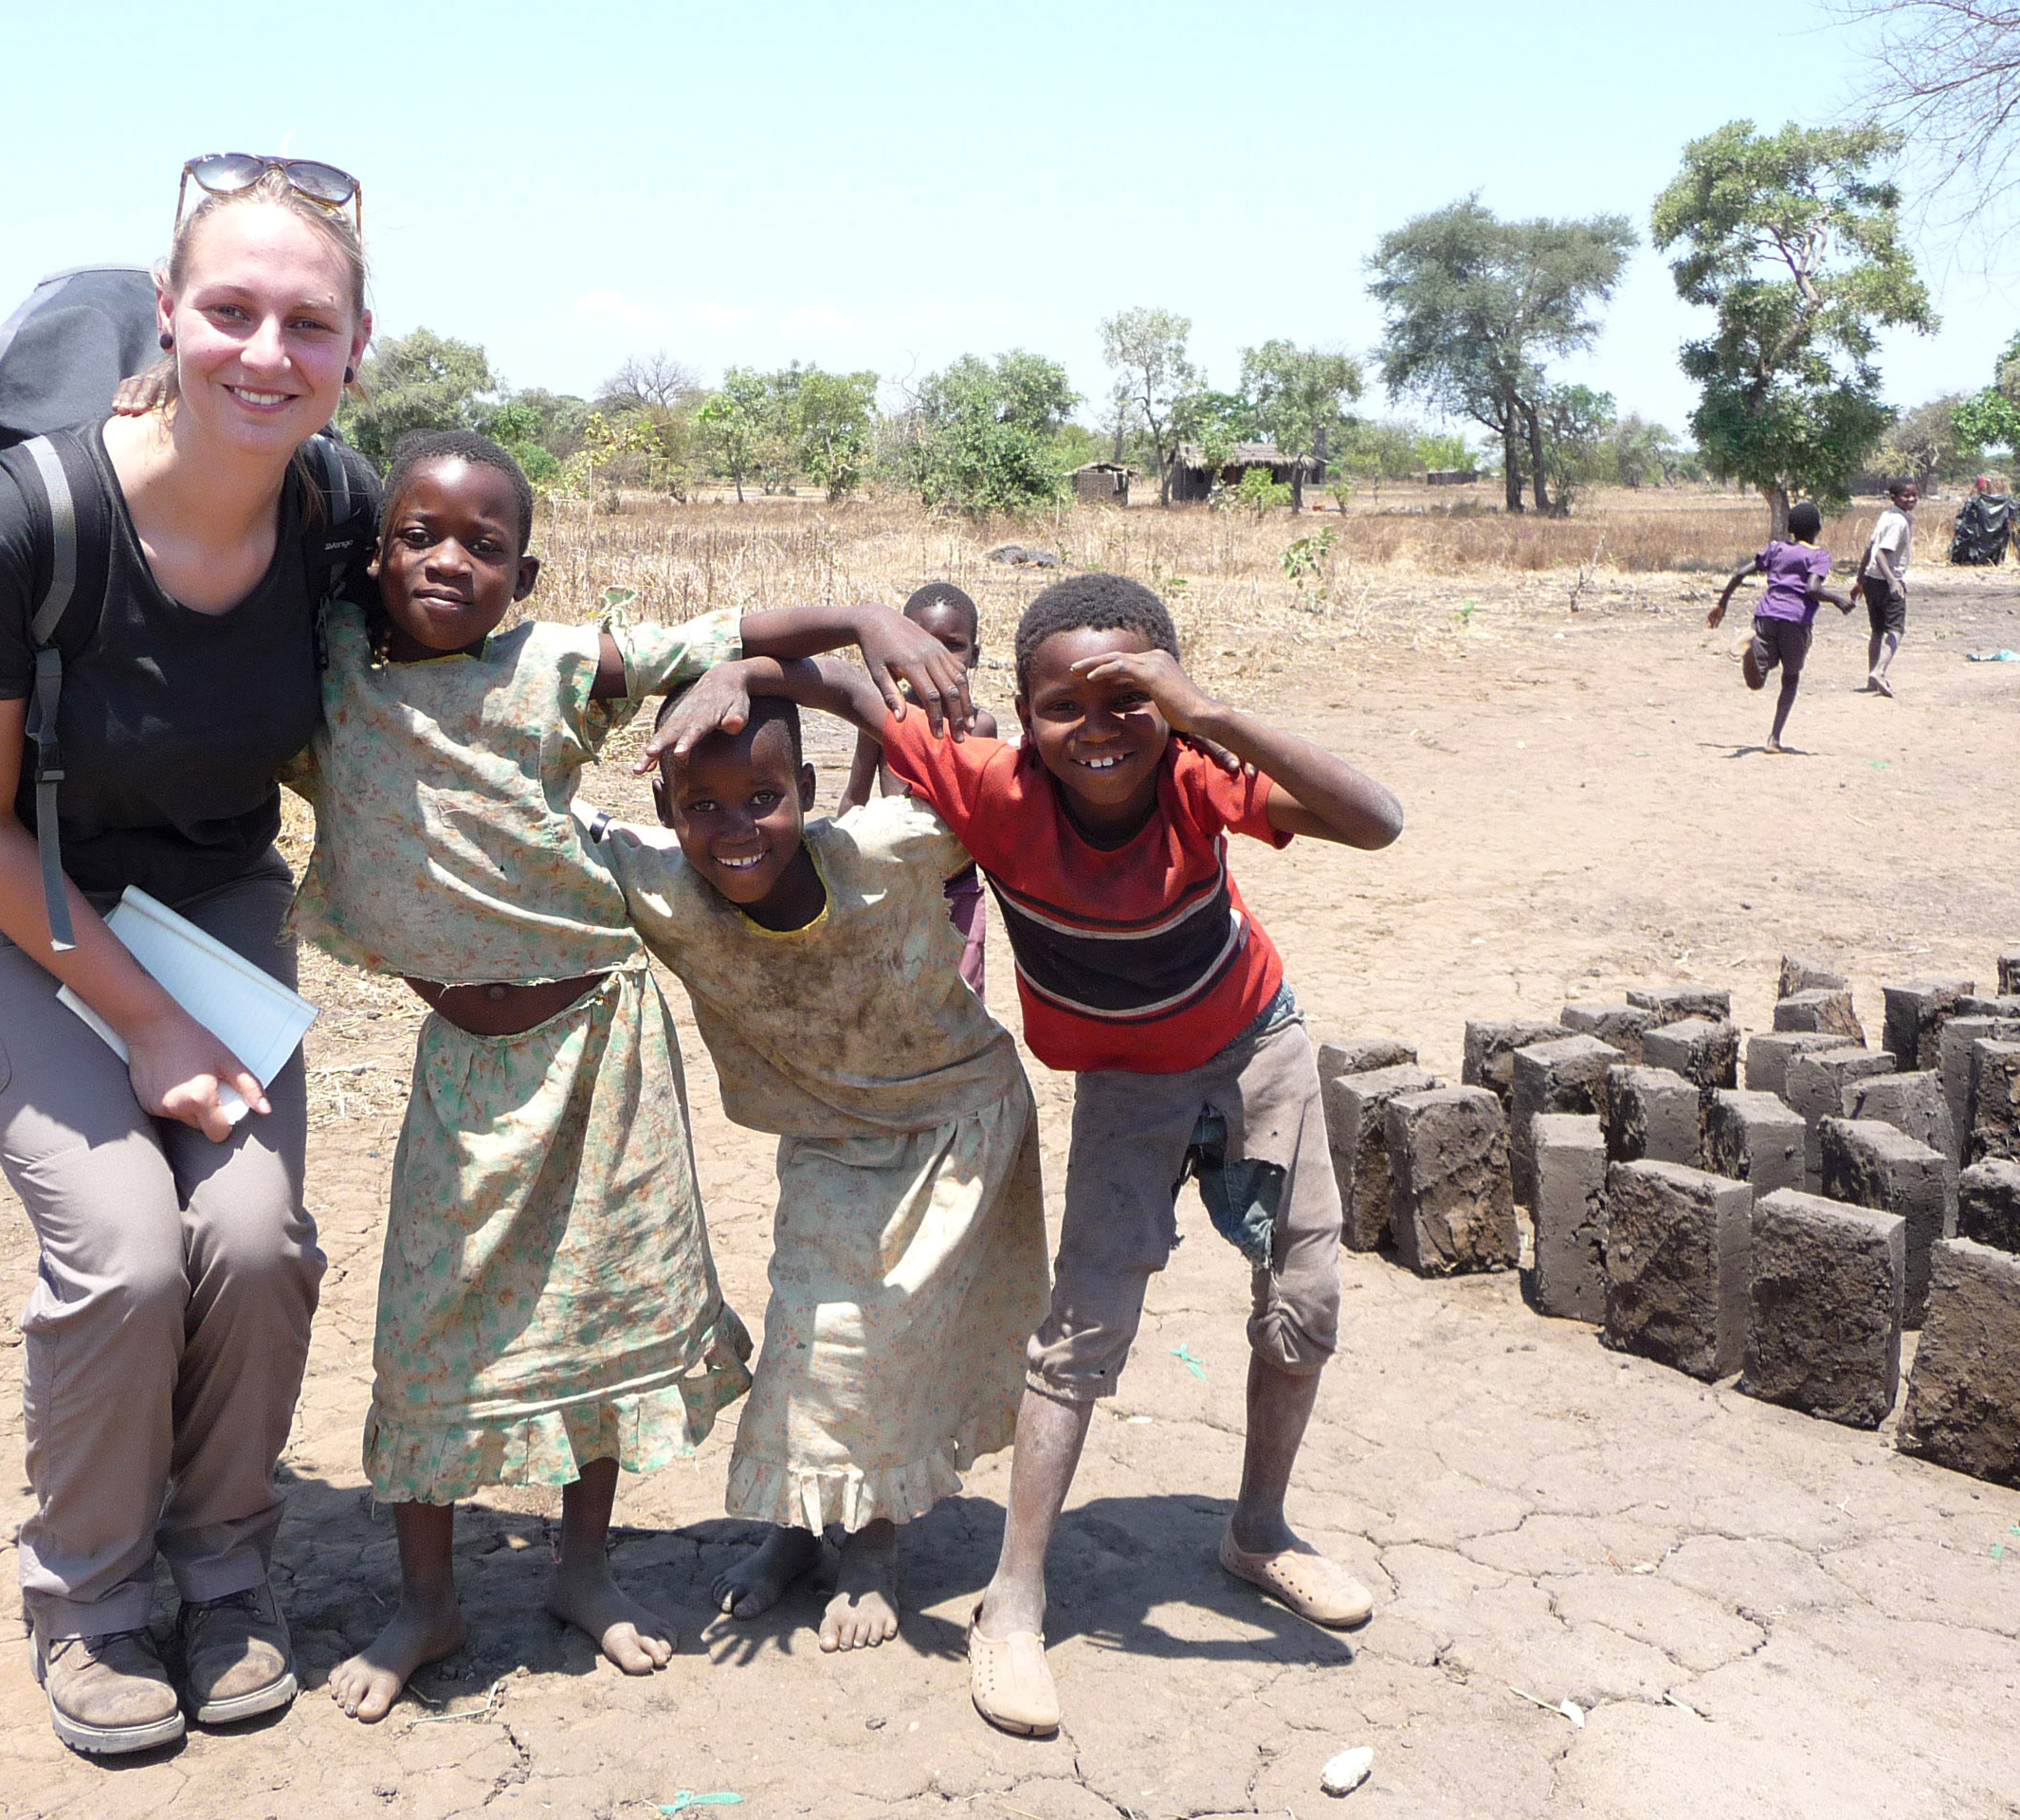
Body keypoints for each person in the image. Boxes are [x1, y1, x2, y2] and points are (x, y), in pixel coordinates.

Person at [291, 431, 973, 1722]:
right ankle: (428, 1603)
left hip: (601, 1043)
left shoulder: (552, 666)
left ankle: (583, 1572)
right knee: (427, 1335)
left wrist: (860, 634)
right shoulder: (329, 673)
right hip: (463, 1074)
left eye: (484, 545)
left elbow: (722, 635)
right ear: (369, 560)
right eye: (417, 535)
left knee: (604, 1315)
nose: (447, 560)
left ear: (524, 571)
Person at [690, 573, 1403, 1737]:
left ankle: (1257, 1531)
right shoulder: (988, 786)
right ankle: (1013, 1604)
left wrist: (1203, 708)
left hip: (1254, 1041)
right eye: (1062, 705)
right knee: (1082, 1332)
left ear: (1166, 700)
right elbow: (818, 676)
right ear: (1019, 717)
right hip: (1125, 1082)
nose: (1100, 729)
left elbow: (1376, 820)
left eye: (1128, 698)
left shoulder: (1193, 771)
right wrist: (738, 674)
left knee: (1303, 1300)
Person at [0, 157, 376, 1755]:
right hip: (2, 898)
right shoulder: (21, 526)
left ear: (356, 349)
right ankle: (91, 1599)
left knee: (248, 1234)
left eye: (307, 323)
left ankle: (226, 1573)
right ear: (168, 316)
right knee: (125, 1243)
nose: (264, 352)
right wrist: (148, 1026)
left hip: (210, 898)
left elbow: (465, 687)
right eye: (229, 311)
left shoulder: (337, 514)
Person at [587, 685, 1047, 1653]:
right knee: (814, 1329)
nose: (734, 827)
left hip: (952, 1124)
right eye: (699, 805)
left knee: (879, 1342)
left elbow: (985, 764)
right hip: (828, 1138)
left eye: (762, 797)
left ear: (805, 787)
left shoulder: (883, 850)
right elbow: (535, 804)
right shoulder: (658, 885)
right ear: (666, 811)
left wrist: (792, 661)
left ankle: (871, 1550)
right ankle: (797, 1531)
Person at [839, 582, 999, 992]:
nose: (935, 656)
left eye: (954, 645)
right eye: (921, 641)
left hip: (958, 889)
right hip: (891, 884)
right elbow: (855, 796)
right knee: (890, 994)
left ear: (975, 656)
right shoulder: (883, 719)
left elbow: (988, 817)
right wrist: (840, 875)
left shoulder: (980, 727)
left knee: (961, 996)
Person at [1704, 500, 1856, 754]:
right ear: (1818, 527)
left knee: (1757, 681)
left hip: (1766, 615)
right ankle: (1774, 738)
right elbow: (1812, 589)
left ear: (1790, 528)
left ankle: (1751, 648)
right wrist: (1838, 600)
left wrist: (1723, 604)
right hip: (1795, 620)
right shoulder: (1818, 555)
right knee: (1791, 676)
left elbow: (1741, 572)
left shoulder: (1776, 549)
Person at [1858, 478, 1920, 697]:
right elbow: (1881, 553)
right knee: (1896, 630)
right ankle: (1879, 671)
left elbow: (1869, 548)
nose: (1911, 499)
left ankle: (1871, 679)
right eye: (1906, 495)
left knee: (1876, 630)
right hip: (1886, 581)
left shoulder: (1887, 516)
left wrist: (1859, 580)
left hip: (1871, 579)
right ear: (1893, 497)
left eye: (1914, 495)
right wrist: (1893, 581)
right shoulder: (1898, 522)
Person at [1950, 472, 2012, 567]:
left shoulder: (1975, 501)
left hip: (1977, 541)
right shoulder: (2007, 501)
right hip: (1995, 540)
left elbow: (1964, 524)